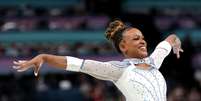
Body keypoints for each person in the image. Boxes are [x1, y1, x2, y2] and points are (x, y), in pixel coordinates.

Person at [13, 20, 183, 101]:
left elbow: (170, 39)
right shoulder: (119, 69)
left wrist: (177, 43)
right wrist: (44, 57)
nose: (143, 41)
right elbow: (78, 64)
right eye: (136, 39)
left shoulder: (154, 61)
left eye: (143, 38)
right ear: (123, 46)